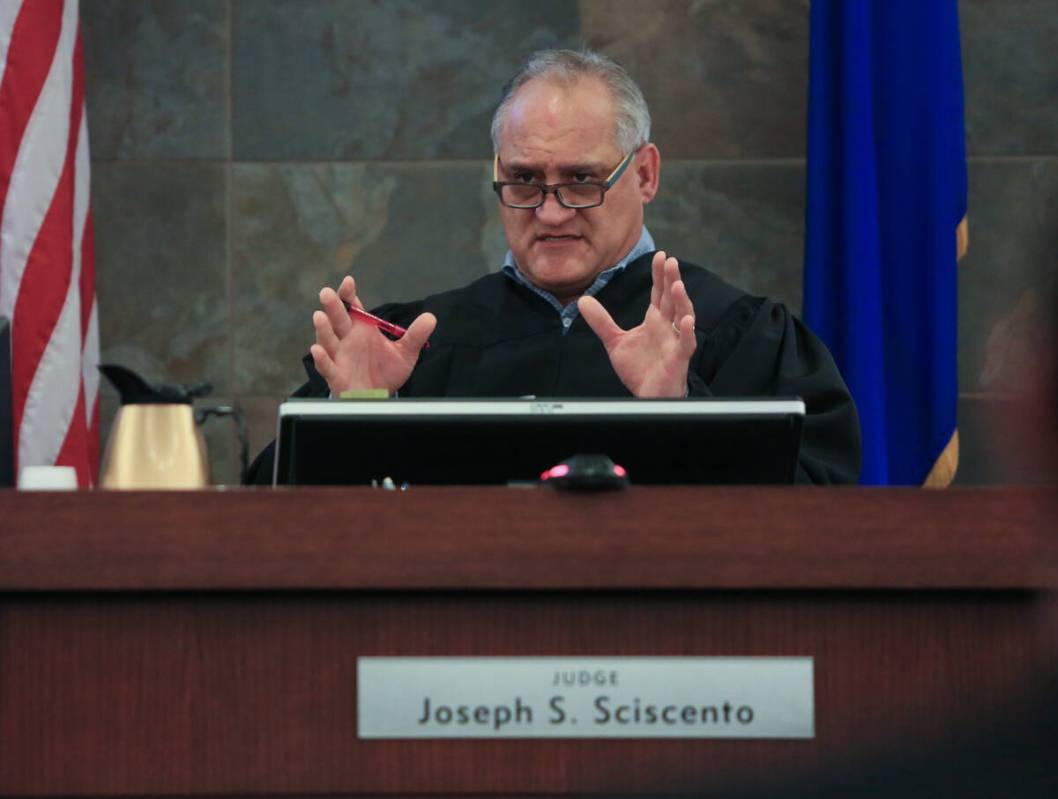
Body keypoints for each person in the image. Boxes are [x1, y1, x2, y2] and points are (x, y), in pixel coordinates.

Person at [247, 49, 860, 485]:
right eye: (524, 180)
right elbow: (265, 525)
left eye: (582, 179)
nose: (550, 211)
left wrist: (681, 408)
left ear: (644, 175)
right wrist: (354, 414)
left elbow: (824, 524)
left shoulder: (738, 332)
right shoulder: (414, 346)